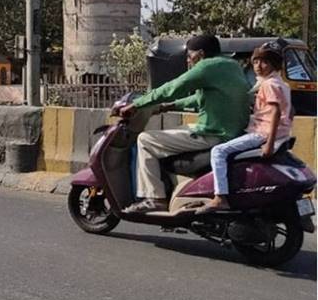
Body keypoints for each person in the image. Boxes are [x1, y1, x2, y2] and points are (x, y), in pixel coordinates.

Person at [118, 34, 250, 214]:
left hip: (212, 133)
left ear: (201, 54)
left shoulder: (206, 66)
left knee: (145, 140)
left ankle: (154, 198)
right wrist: (168, 107)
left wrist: (137, 104)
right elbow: (200, 97)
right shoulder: (231, 66)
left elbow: (173, 88)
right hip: (231, 132)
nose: (188, 60)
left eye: (190, 55)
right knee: (170, 134)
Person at [199, 43, 293, 213]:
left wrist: (269, 143)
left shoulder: (268, 85)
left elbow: (275, 112)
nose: (258, 66)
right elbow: (290, 111)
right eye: (256, 62)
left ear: (274, 65)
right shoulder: (281, 84)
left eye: (265, 62)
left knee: (218, 152)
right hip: (279, 133)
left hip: (263, 133)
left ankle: (220, 197)